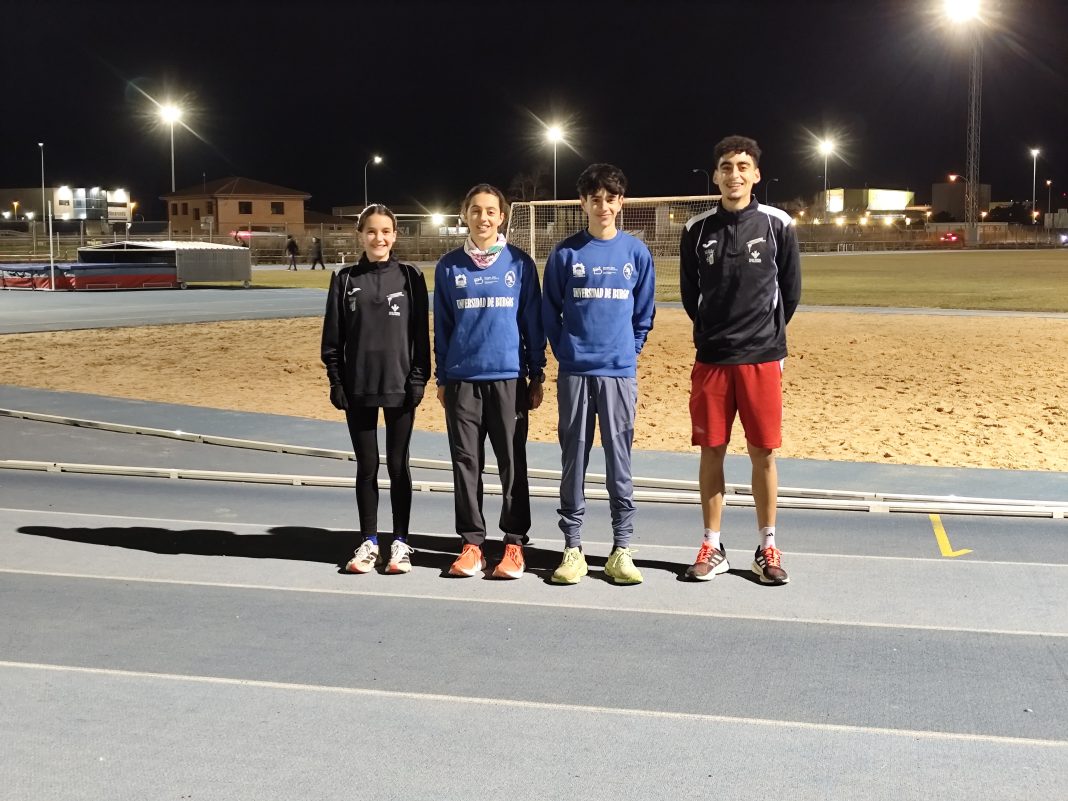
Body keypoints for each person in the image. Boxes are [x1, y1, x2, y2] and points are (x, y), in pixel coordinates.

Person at [679, 135, 801, 585]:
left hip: (762, 357)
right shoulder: (696, 229)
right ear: (715, 175)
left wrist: (763, 336)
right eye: (726, 166)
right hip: (712, 358)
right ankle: (712, 545)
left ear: (756, 175)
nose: (734, 174)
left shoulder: (778, 223)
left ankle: (767, 545)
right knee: (712, 451)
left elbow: (790, 293)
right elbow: (692, 298)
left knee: (763, 453)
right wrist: (714, 331)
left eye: (743, 166)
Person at [541, 163, 656, 585]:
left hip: (618, 374)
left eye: (610, 198)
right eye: (595, 198)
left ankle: (621, 548)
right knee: (574, 459)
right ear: (583, 202)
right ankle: (572, 547)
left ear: (620, 202)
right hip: (574, 372)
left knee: (619, 461)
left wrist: (628, 350)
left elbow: (644, 314)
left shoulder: (636, 253)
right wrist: (565, 350)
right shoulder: (566, 252)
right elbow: (548, 311)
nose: (602, 205)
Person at [433, 184, 546, 579]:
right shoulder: (449, 266)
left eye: (491, 211)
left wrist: (537, 373)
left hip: (509, 380)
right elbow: (443, 329)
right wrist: (442, 377)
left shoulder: (520, 263)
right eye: (476, 210)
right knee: (466, 464)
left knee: (512, 466)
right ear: (465, 214)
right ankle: (472, 544)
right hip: (463, 380)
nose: (483, 217)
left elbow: (534, 324)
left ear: (502, 217)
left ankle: (514, 544)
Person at [321, 204, 430, 575]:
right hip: (359, 387)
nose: (378, 238)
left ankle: (400, 542)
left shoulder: (411, 277)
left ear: (395, 235)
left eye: (386, 231)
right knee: (367, 466)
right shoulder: (345, 278)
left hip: (400, 386)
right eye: (371, 231)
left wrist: (418, 379)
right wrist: (337, 380)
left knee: (398, 466)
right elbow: (332, 336)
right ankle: (369, 541)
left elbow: (420, 336)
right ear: (360, 234)